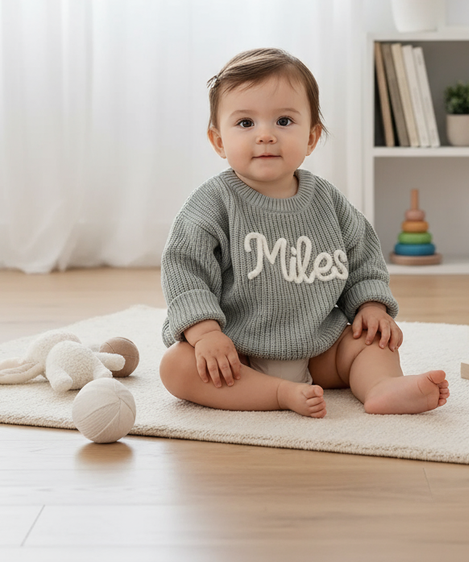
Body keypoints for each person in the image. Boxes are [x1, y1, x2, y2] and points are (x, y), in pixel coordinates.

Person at [159, 48, 449, 418]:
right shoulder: (212, 203)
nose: (266, 135)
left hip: (320, 347)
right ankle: (279, 393)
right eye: (246, 123)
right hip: (236, 351)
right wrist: (205, 334)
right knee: (177, 366)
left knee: (375, 341)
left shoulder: (329, 201)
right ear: (218, 141)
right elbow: (185, 270)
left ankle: (381, 387)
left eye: (283, 121)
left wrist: (371, 307)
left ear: (311, 138)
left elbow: (363, 260)